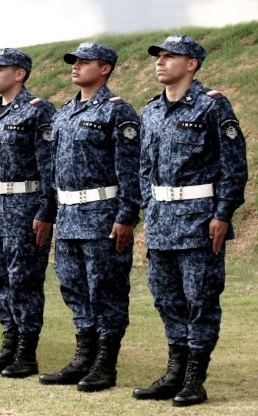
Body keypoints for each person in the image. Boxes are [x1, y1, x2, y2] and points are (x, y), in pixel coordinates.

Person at [133, 35, 247, 407]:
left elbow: (233, 167)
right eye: (158, 56)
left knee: (200, 299)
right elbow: (144, 169)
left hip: (200, 221)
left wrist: (222, 214)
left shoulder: (211, 106)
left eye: (170, 56)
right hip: (161, 221)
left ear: (191, 64)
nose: (160, 62)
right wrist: (149, 208)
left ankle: (195, 379)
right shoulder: (150, 111)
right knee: (166, 299)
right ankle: (174, 373)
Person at [39, 42, 141, 392]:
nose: (76, 66)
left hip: (102, 217)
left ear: (105, 68)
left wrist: (126, 216)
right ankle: (84, 358)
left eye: (85, 62)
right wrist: (49, 213)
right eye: (74, 61)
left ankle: (105, 365)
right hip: (68, 216)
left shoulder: (118, 111)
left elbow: (130, 171)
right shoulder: (63, 113)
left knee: (106, 290)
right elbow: (53, 170)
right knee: (74, 288)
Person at [0, 48, 56, 378]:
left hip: (25, 207)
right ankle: (9, 344)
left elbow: (49, 167)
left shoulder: (37, 110)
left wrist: (46, 211)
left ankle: (26, 352)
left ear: (19, 73)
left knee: (24, 281)